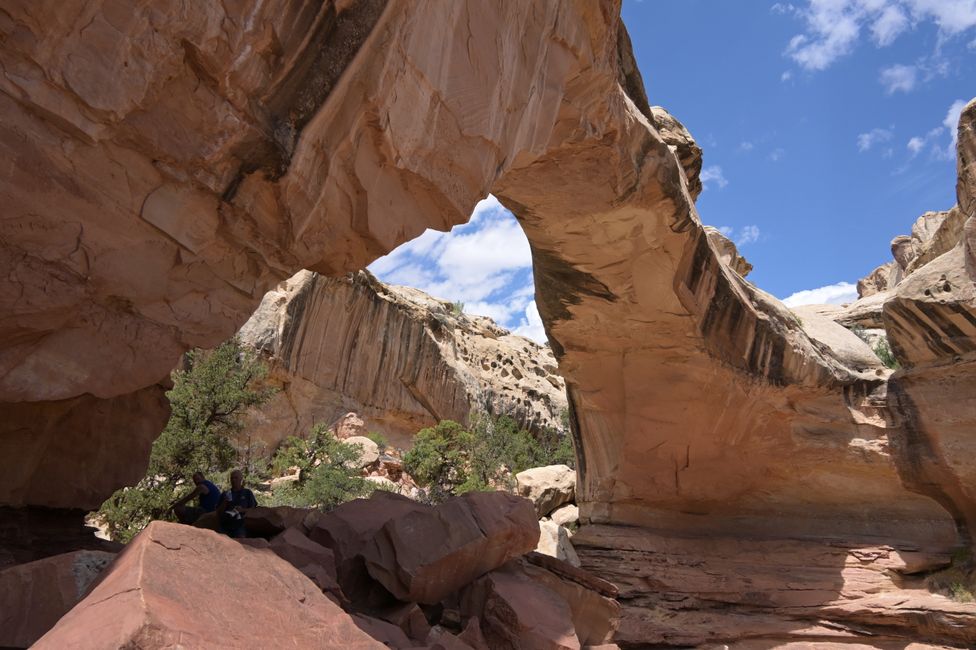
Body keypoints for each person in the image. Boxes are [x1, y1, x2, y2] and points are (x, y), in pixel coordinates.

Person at [217, 469, 257, 538]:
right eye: (232, 478)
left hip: (241, 525)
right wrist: (225, 502)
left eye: (236, 478)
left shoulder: (247, 493)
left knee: (240, 538)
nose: (233, 480)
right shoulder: (226, 493)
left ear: (241, 479)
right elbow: (218, 512)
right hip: (226, 524)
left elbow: (254, 510)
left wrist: (242, 510)